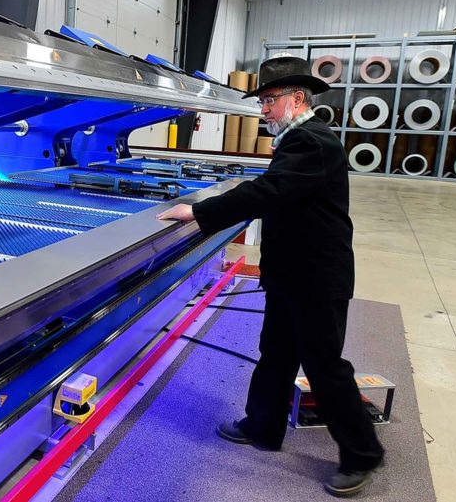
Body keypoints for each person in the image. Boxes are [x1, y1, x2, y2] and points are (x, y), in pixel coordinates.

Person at [156, 56, 384, 497]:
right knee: (275, 353)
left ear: (298, 99)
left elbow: (268, 192)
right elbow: (279, 194)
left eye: (269, 100)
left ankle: (362, 455)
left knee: (325, 368)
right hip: (290, 272)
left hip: (317, 279)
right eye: (261, 101)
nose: (263, 110)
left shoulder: (312, 143)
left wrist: (199, 212)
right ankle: (263, 426)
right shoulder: (299, 140)